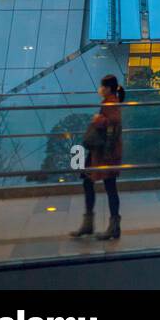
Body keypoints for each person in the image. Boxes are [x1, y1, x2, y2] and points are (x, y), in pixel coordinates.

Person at [70, 75, 124, 242]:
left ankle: (97, 224)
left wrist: (99, 120)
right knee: (100, 184)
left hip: (105, 152)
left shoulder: (110, 103)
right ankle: (108, 225)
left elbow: (114, 121)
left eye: (102, 86)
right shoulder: (111, 101)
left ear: (107, 88)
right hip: (103, 152)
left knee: (104, 185)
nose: (100, 89)